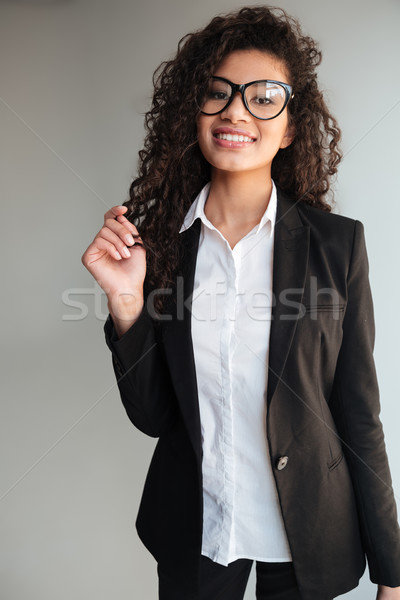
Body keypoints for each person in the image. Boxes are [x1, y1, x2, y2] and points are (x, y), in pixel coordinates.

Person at [81, 6, 400, 600]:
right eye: (218, 93)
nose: (235, 111)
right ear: (193, 111)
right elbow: (154, 417)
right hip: (197, 529)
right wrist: (127, 301)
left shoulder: (338, 245)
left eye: (262, 97)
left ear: (292, 125)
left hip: (309, 530)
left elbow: (359, 412)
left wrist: (393, 568)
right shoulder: (155, 248)